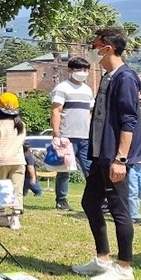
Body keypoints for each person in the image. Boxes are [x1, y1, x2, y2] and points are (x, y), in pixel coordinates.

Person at [71, 27, 141, 280]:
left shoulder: (125, 78)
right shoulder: (107, 77)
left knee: (119, 209)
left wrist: (121, 159)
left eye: (95, 45)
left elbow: (129, 121)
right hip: (100, 155)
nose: (92, 50)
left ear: (107, 48)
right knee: (90, 203)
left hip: (116, 157)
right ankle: (102, 259)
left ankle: (124, 268)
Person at [51, 56, 95, 212]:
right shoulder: (62, 88)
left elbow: (90, 113)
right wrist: (57, 133)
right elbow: (56, 111)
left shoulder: (88, 90)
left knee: (90, 170)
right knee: (64, 170)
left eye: (85, 69)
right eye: (78, 69)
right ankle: (61, 200)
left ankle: (93, 200)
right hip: (66, 136)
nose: (82, 72)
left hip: (85, 136)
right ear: (70, 70)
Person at [0, 93, 27, 230]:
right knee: (17, 189)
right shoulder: (21, 125)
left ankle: (1, 216)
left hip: (0, 160)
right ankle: (15, 218)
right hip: (18, 160)